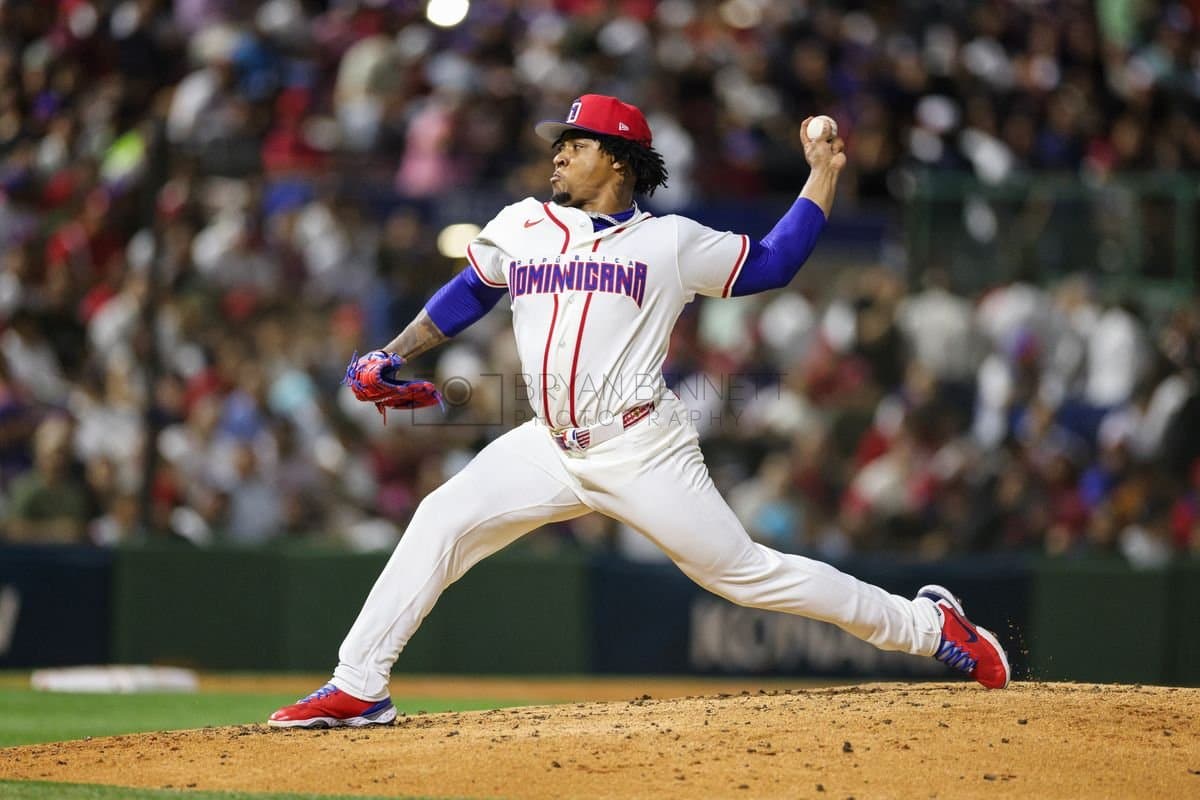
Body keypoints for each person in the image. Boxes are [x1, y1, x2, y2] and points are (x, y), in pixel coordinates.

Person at [269, 95, 1009, 728]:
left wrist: (822, 174)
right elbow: (471, 288)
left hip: (640, 447)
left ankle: (927, 625)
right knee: (440, 519)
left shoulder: (670, 242)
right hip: (548, 446)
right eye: (558, 143)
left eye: (575, 143)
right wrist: (391, 354)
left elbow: (776, 262)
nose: (558, 155)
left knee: (745, 574)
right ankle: (360, 685)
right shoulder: (524, 223)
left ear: (619, 159)